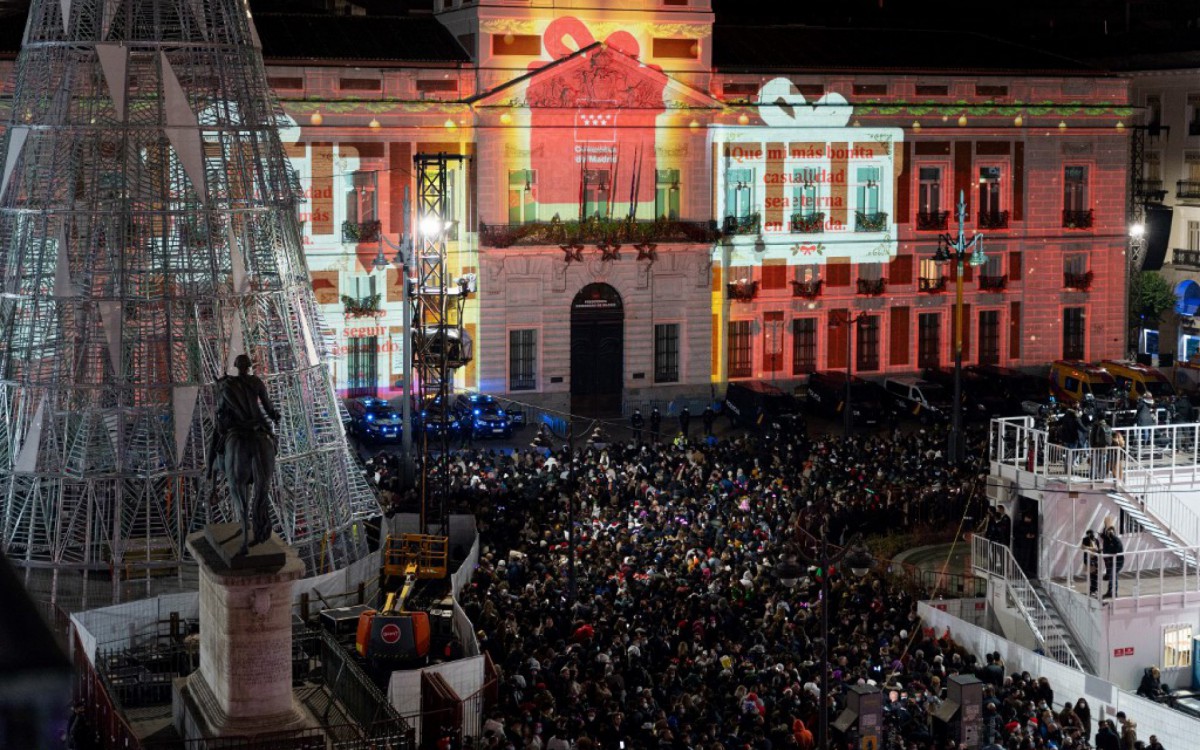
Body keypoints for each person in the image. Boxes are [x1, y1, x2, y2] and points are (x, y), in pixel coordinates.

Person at [207, 353, 280, 479]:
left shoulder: (229, 384)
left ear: (237, 367)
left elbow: (221, 407)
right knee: (273, 441)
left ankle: (209, 470)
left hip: (238, 424)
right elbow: (267, 404)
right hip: (258, 422)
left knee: (215, 440)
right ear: (249, 367)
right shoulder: (256, 381)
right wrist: (274, 415)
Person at [1102, 523, 1125, 598]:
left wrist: (1113, 537)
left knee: (1113, 576)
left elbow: (1116, 549)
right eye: (1108, 532)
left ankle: (1114, 593)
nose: (1109, 533)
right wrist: (1106, 539)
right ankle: (1110, 592)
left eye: (1111, 532)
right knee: (1112, 577)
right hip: (1112, 562)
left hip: (1118, 562)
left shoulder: (1116, 540)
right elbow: (1106, 550)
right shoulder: (1108, 541)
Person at [1081, 529, 1101, 597]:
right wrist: (1092, 548)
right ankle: (1093, 590)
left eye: (1091, 533)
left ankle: (1094, 590)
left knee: (1094, 575)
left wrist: (1098, 550)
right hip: (1089, 559)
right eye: (1089, 534)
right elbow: (1082, 547)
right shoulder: (1086, 539)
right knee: (1093, 575)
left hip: (1095, 559)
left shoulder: (1096, 540)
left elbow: (1098, 549)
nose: (1091, 535)